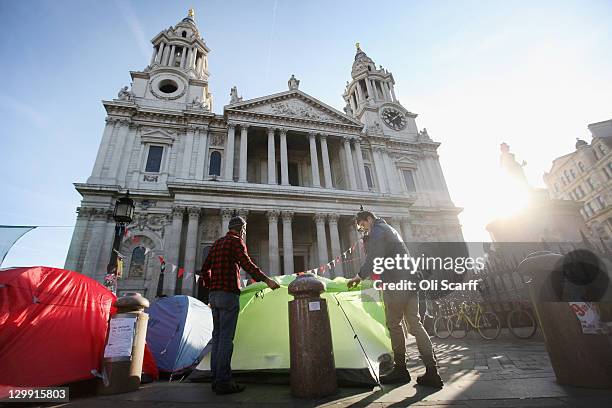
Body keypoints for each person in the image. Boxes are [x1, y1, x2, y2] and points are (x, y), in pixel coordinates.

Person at [347, 210, 443, 388]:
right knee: (415, 323)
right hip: (410, 281)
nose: (363, 229)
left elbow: (374, 258)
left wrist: (358, 277)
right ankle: (432, 371)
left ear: (369, 219)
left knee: (394, 324)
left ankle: (400, 369)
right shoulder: (390, 229)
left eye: (363, 225)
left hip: (395, 281)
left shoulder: (378, 230)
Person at [200, 215, 280, 394]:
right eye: (244, 230)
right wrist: (267, 280)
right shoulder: (236, 242)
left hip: (214, 295)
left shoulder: (217, 243)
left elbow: (204, 268)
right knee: (226, 339)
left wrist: (210, 286)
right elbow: (247, 265)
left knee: (218, 338)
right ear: (242, 229)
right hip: (228, 294)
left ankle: (215, 379)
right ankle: (223, 382)